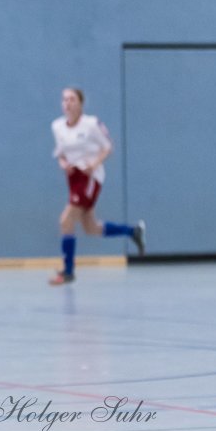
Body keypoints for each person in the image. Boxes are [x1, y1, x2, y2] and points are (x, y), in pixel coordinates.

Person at [49, 86, 146, 286]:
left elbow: (108, 146)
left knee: (66, 220)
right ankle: (133, 232)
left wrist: (94, 164)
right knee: (91, 227)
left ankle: (68, 271)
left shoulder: (91, 124)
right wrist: (63, 164)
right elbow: (60, 152)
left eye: (72, 99)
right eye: (64, 100)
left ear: (80, 103)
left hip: (90, 178)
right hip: (73, 178)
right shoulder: (57, 126)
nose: (67, 103)